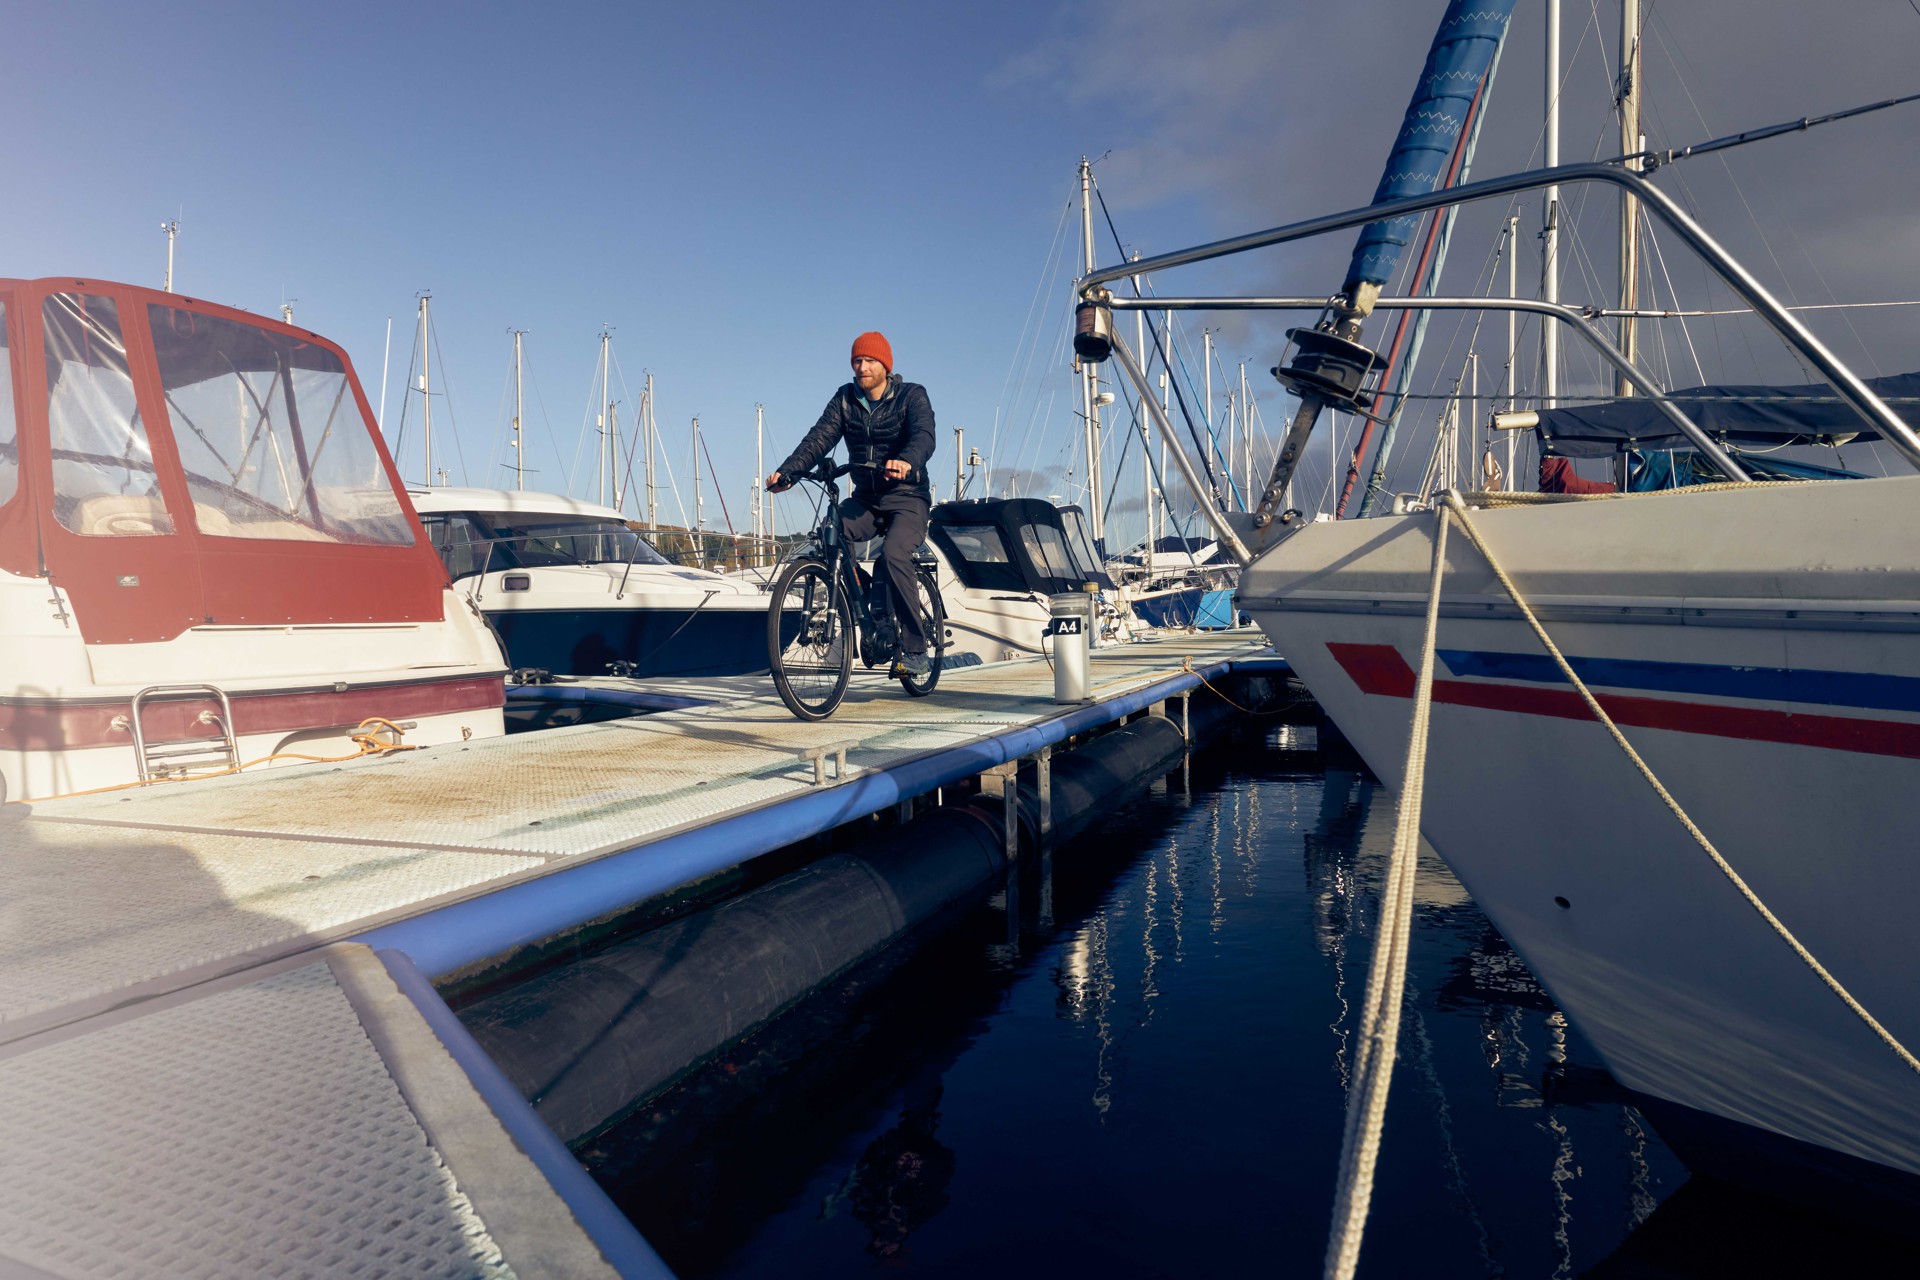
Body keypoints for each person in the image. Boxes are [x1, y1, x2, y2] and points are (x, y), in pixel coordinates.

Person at [767, 332, 937, 677]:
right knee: (829, 532)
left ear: (885, 366)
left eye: (869, 361)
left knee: (893, 553)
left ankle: (917, 649)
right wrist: (789, 472)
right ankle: (874, 600)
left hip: (907, 497)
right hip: (866, 500)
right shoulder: (845, 399)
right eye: (856, 361)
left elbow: (924, 435)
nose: (861, 367)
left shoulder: (911, 395)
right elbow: (819, 438)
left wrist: (906, 460)